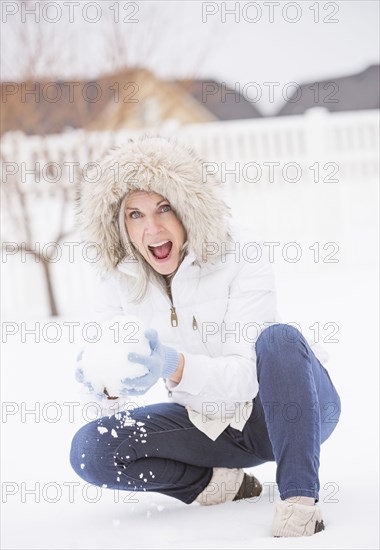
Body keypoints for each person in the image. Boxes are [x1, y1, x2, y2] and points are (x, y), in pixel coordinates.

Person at [70, 136, 341, 537]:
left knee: (279, 339)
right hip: (206, 425)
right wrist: (105, 384)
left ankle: (299, 501)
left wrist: (173, 365)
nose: (153, 227)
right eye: (135, 214)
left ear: (187, 208)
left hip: (286, 412)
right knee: (92, 449)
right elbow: (115, 384)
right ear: (119, 224)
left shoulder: (239, 250)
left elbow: (246, 379)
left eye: (164, 207)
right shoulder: (118, 278)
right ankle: (221, 485)